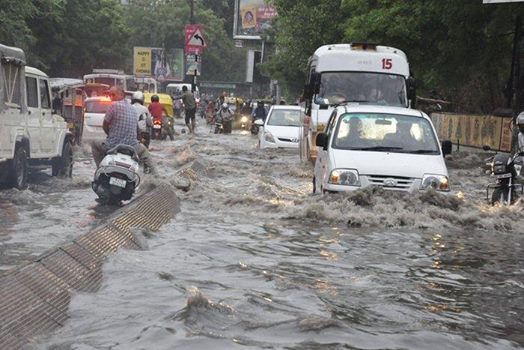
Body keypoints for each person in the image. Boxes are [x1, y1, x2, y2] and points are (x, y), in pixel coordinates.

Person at [91, 86, 155, 174]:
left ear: (121, 95)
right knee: (145, 152)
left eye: (113, 95)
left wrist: (110, 136)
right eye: (110, 95)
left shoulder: (113, 105)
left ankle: (100, 169)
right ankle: (156, 178)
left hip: (112, 145)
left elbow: (105, 125)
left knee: (94, 143)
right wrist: (138, 142)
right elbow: (138, 131)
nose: (111, 97)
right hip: (133, 147)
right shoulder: (132, 109)